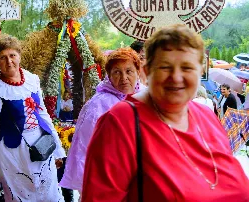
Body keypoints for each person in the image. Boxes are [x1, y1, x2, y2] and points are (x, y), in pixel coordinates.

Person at [81, 24, 249, 201]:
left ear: (200, 71)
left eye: (187, 67)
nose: (176, 77)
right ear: (146, 71)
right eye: (165, 67)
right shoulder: (121, 122)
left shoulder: (206, 116)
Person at [0, 36, 66, 202]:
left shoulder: (31, 80)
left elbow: (43, 115)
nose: (9, 61)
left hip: (41, 147)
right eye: (2, 57)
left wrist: (57, 149)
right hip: (13, 153)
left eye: (12, 55)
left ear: (19, 56)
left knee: (50, 195)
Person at [60, 47, 142, 193]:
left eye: (129, 71)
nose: (124, 78)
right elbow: (85, 148)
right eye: (117, 72)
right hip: (110, 180)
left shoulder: (147, 97)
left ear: (138, 72)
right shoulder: (98, 105)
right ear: (109, 76)